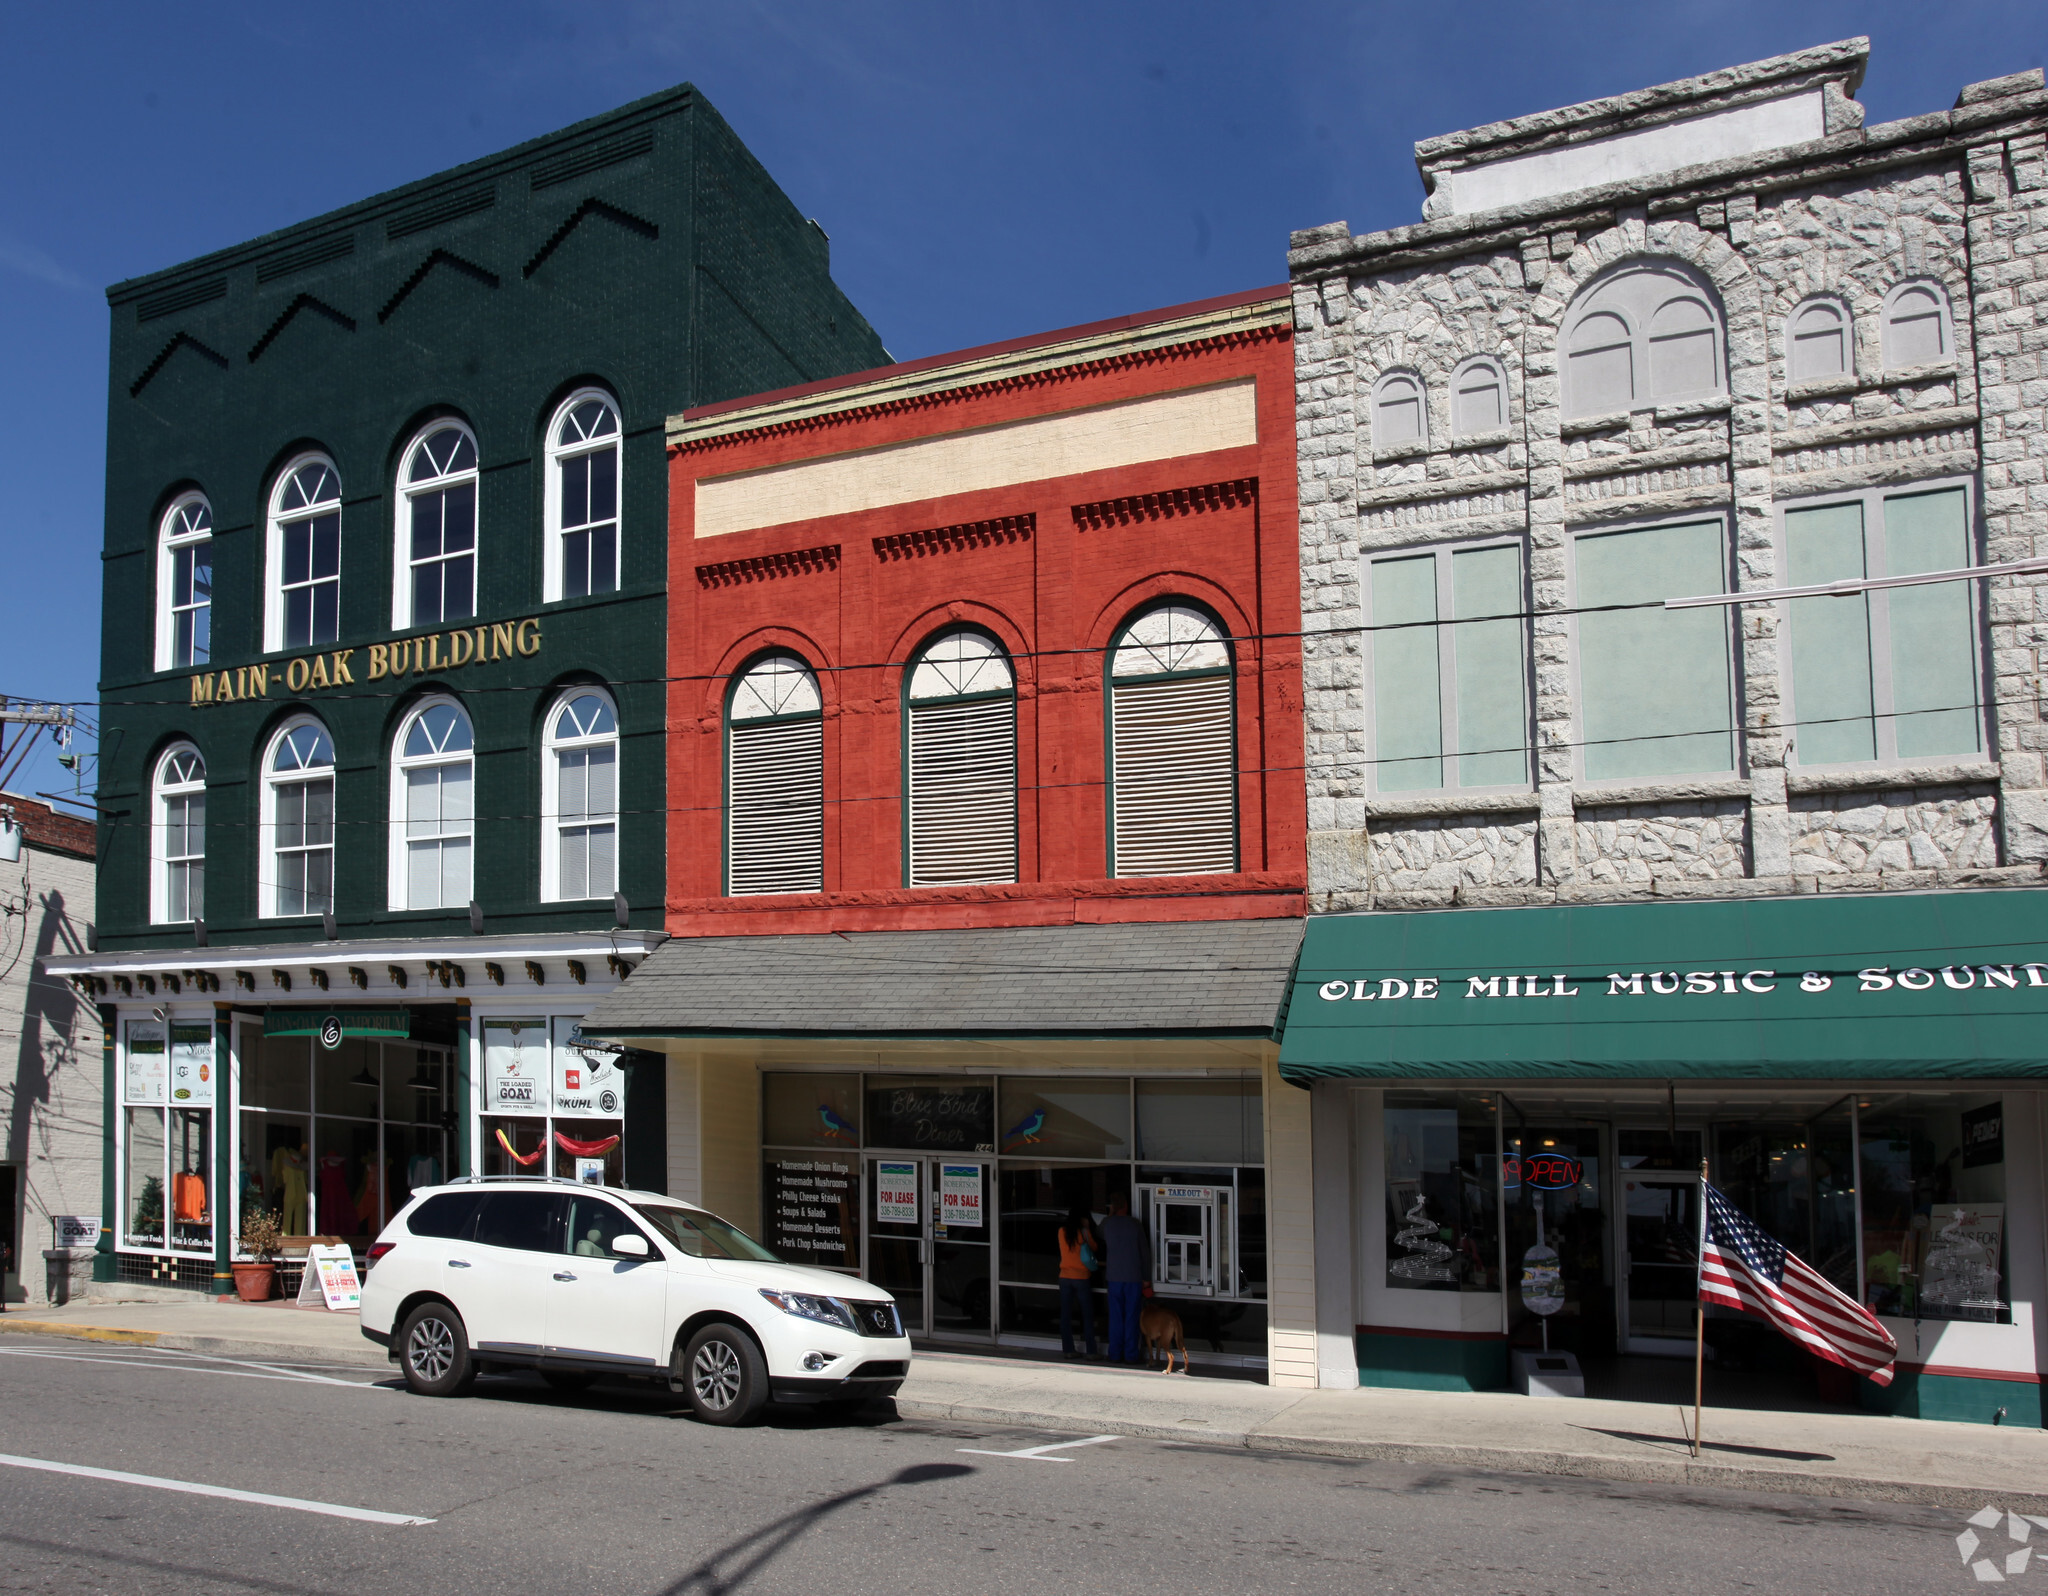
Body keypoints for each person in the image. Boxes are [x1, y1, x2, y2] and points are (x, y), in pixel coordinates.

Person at [1098, 1196, 1149, 1364]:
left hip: (1114, 1277)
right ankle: (1131, 1355)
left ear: (1113, 1207)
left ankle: (1114, 1354)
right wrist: (1146, 1277)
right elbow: (1144, 1252)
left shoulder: (1108, 1224)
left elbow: (1098, 1234)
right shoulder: (1135, 1224)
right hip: (1133, 1277)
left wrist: (1110, 1214)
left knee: (1116, 1317)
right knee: (1132, 1317)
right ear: (1126, 1206)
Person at [1056, 1205, 1100, 1360]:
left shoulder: (1062, 1232)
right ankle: (1091, 1351)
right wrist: (1087, 1228)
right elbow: (1094, 1248)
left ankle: (1068, 1349)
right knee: (1087, 1315)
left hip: (1065, 1277)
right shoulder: (1084, 1233)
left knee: (1065, 1315)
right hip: (1081, 1277)